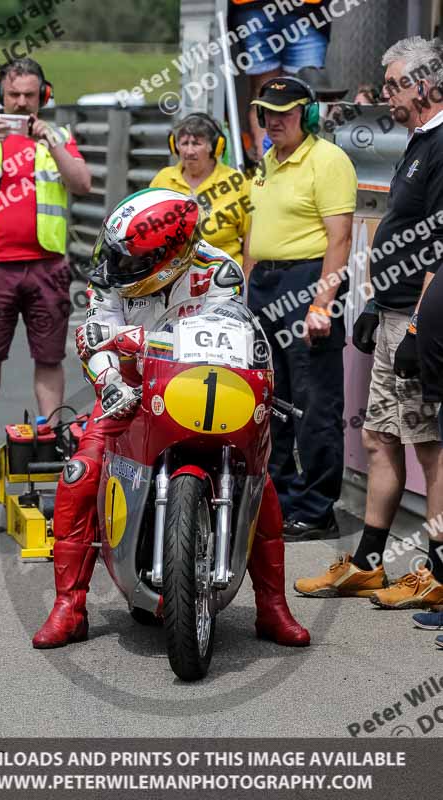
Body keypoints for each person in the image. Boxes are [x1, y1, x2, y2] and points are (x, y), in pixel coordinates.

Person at [32, 188, 310, 650]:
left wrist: (128, 335)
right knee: (79, 473)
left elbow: (228, 334)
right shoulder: (110, 275)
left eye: (129, 262)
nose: (115, 270)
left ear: (172, 255)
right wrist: (110, 385)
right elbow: (93, 337)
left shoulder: (219, 272)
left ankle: (272, 608)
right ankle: (70, 607)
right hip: (127, 389)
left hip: (199, 385)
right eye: (115, 257)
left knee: (259, 481)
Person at [295, 37, 443, 614]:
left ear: (425, 85)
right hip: (393, 312)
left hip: (417, 319)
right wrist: (376, 307)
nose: (385, 96)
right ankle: (368, 561)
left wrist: (414, 329)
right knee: (379, 437)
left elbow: (437, 247)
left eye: (393, 86)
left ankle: (435, 569)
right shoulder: (416, 142)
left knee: (428, 446)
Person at [0, 58, 92, 465]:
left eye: (30, 95)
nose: (21, 103)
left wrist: (54, 143)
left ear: (43, 97)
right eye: (13, 95)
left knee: (49, 355)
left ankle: (51, 433)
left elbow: (82, 183)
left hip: (47, 266)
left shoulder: (58, 135)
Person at [245, 76, 357, 541]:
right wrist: (244, 289)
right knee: (273, 400)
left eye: (285, 113)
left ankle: (316, 508)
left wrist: (321, 303)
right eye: (268, 113)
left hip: (308, 280)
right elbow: (256, 233)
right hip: (266, 282)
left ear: (307, 116)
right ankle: (281, 499)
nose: (274, 121)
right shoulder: (266, 161)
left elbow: (340, 238)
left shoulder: (328, 161)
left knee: (314, 401)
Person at [230, 0, 333, 158]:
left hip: (308, 8)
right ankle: (267, 169)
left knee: (310, 95)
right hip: (253, 7)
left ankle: (309, 167)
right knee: (265, 95)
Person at [150, 113, 251, 265]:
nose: (189, 151)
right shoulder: (163, 179)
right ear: (175, 146)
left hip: (222, 278)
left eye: (196, 144)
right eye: (184, 143)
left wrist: (247, 281)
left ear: (214, 147)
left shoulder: (236, 183)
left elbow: (252, 237)